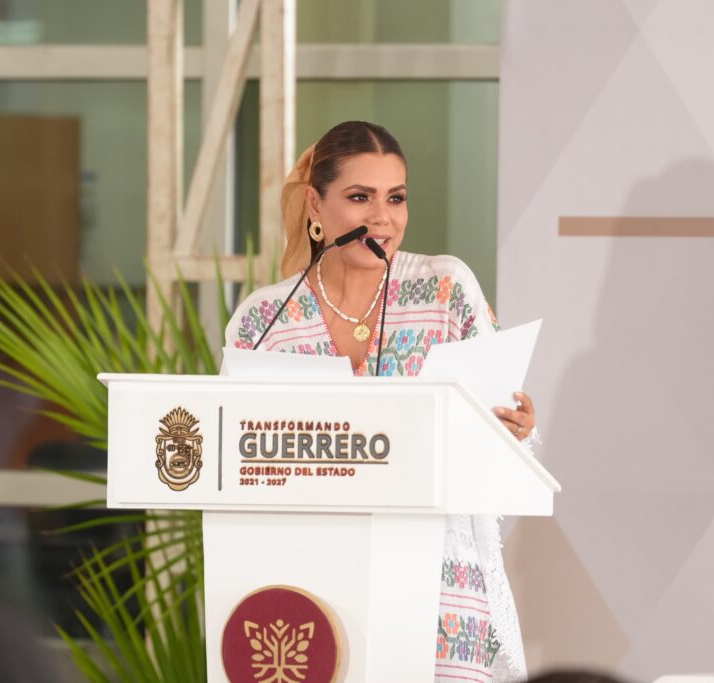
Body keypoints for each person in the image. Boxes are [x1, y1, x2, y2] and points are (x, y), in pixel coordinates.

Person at [225, 121, 538, 681]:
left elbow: (504, 448)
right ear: (314, 204)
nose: (382, 218)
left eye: (395, 198)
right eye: (359, 197)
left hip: (440, 590)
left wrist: (516, 430)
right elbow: (233, 457)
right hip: (307, 592)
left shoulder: (445, 289)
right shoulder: (265, 318)